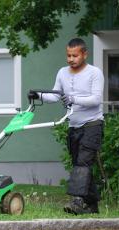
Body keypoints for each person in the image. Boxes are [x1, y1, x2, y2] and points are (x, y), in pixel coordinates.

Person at [29, 38, 104, 214]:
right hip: (73, 125)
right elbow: (55, 96)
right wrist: (38, 95)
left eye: (75, 55)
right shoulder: (62, 72)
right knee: (80, 164)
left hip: (93, 124)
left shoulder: (94, 73)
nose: (71, 59)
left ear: (85, 54)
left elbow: (96, 99)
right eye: (68, 55)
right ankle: (92, 204)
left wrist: (73, 99)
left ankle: (77, 202)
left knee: (83, 162)